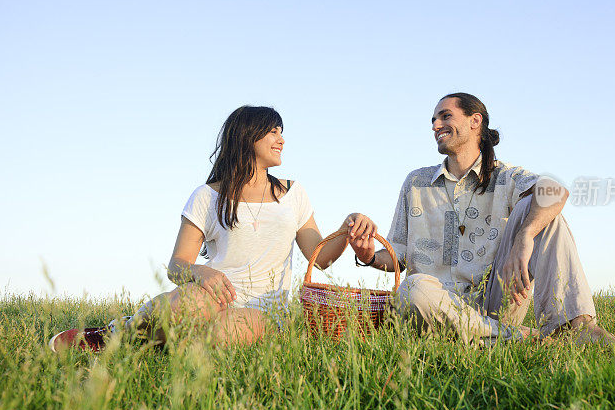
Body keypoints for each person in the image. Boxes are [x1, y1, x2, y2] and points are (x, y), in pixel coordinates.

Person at [50, 105, 376, 352]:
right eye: (273, 132)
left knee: (216, 337)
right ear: (248, 137)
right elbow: (177, 266)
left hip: (264, 310)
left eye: (281, 132)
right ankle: (115, 334)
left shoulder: (294, 194)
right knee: (180, 308)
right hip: (211, 294)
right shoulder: (207, 196)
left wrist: (347, 230)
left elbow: (320, 259)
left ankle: (163, 342)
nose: (282, 139)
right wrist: (201, 273)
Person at [349, 93, 615, 353]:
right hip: (434, 305)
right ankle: (517, 337)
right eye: (433, 120)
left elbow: (556, 190)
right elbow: (398, 256)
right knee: (412, 289)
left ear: (476, 121)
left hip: (497, 299)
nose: (436, 125)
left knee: (543, 210)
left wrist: (525, 237)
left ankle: (577, 328)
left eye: (445, 116)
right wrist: (369, 255)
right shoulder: (416, 182)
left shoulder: (506, 176)